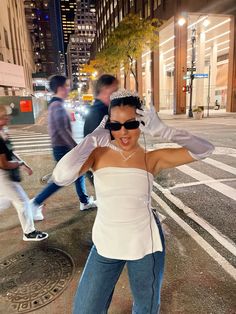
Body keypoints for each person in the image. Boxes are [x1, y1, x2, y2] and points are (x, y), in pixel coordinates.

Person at [52, 90, 214, 313]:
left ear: (141, 123)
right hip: (106, 243)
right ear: (108, 126)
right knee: (85, 309)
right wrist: (89, 141)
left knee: (145, 308)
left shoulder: (151, 158)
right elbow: (61, 176)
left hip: (145, 244)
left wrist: (166, 131)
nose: (124, 132)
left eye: (130, 124)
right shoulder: (97, 153)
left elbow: (205, 150)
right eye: (115, 126)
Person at [30, 75, 96, 220]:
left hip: (62, 148)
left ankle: (84, 202)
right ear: (60, 88)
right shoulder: (57, 106)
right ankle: (35, 204)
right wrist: (76, 148)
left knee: (79, 173)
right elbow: (62, 130)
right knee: (61, 180)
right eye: (66, 85)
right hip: (62, 149)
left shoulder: (56, 104)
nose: (68, 88)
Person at [0, 105, 48, 241]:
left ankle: (30, 225)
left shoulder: (3, 131)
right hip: (3, 175)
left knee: (5, 201)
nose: (8, 119)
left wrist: (23, 163)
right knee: (22, 202)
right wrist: (19, 164)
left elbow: (10, 151)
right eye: (4, 117)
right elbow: (3, 164)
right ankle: (29, 233)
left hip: (5, 174)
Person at [83, 74, 118, 184]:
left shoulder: (103, 109)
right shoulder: (98, 112)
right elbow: (98, 146)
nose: (117, 93)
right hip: (103, 170)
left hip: (104, 168)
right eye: (115, 89)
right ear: (105, 89)